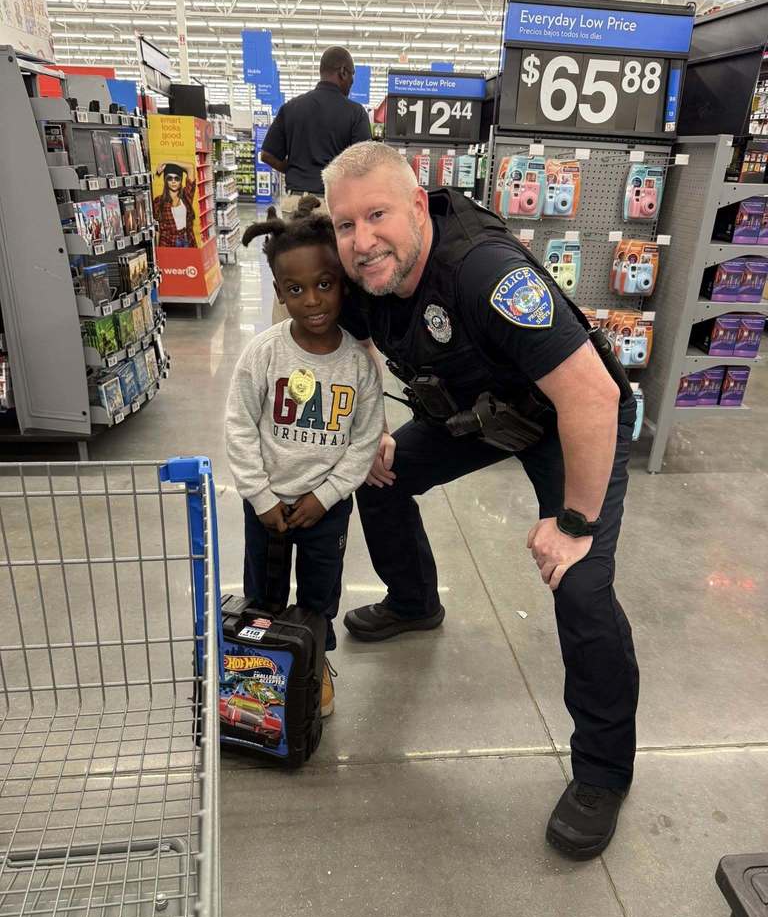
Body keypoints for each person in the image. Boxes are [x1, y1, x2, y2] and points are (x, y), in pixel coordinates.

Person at [322, 142, 639, 861]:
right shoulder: (369, 273)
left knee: (582, 585)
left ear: (416, 204)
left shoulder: (484, 273)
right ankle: (413, 600)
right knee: (382, 476)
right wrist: (372, 428)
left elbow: (591, 395)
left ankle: (603, 772)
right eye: (346, 225)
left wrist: (575, 523)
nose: (362, 240)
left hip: (567, 421)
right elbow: (357, 351)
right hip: (475, 411)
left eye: (377, 215)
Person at [227, 197, 384, 717]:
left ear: (343, 281)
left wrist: (327, 495)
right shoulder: (263, 354)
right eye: (295, 290)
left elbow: (363, 441)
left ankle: (316, 666)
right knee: (263, 595)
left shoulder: (359, 365)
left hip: (327, 509)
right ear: (278, 293)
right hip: (267, 507)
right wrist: (260, 496)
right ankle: (258, 670)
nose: (313, 300)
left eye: (325, 284)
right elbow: (240, 427)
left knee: (319, 596)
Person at [260, 46, 372, 324]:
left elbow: (267, 154)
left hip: (294, 206)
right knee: (334, 274)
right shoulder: (354, 112)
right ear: (343, 72)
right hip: (333, 209)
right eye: (352, 76)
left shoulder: (292, 107)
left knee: (289, 270)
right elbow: (364, 164)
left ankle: (284, 337)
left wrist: (293, 168)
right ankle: (335, 333)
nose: (351, 83)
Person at [153, 161, 199, 249]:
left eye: (177, 178)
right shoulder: (159, 201)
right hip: (167, 242)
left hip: (187, 239)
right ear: (165, 181)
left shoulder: (186, 196)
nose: (173, 182)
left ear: (181, 180)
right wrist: (157, 250)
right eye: (170, 178)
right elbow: (157, 228)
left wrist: (166, 161)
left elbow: (190, 167)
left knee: (189, 263)